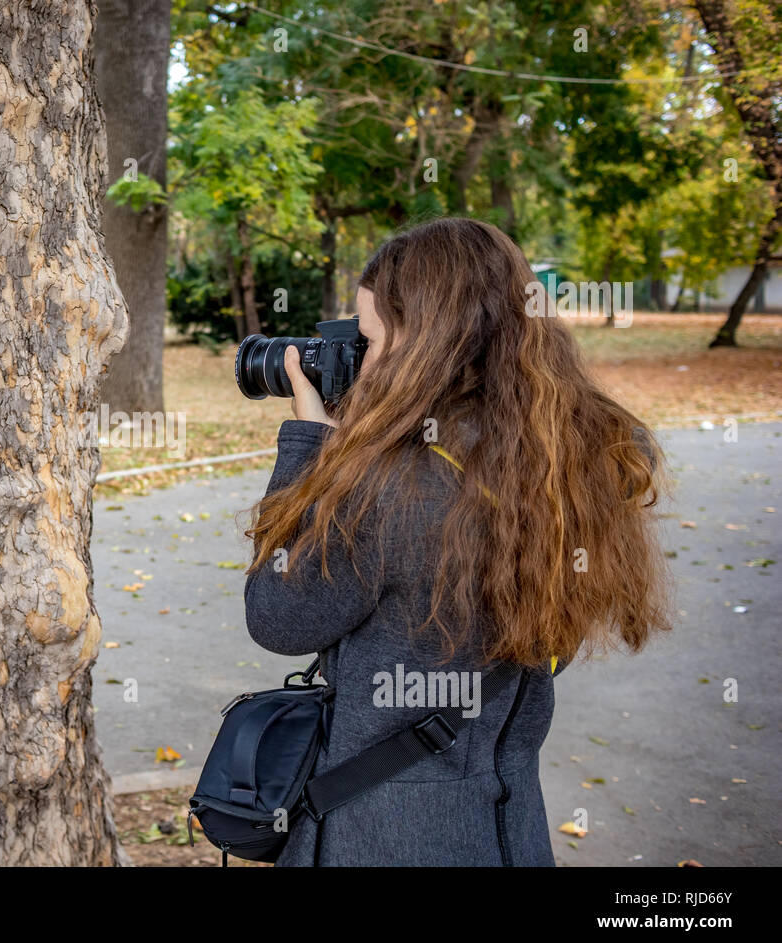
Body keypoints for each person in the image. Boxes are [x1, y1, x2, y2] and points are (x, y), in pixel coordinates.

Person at [244, 217, 671, 866]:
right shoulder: (573, 464)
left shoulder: (390, 488)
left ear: (426, 344)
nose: (361, 362)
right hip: (510, 825)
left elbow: (277, 617)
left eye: (371, 340)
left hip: (383, 837)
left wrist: (312, 449)